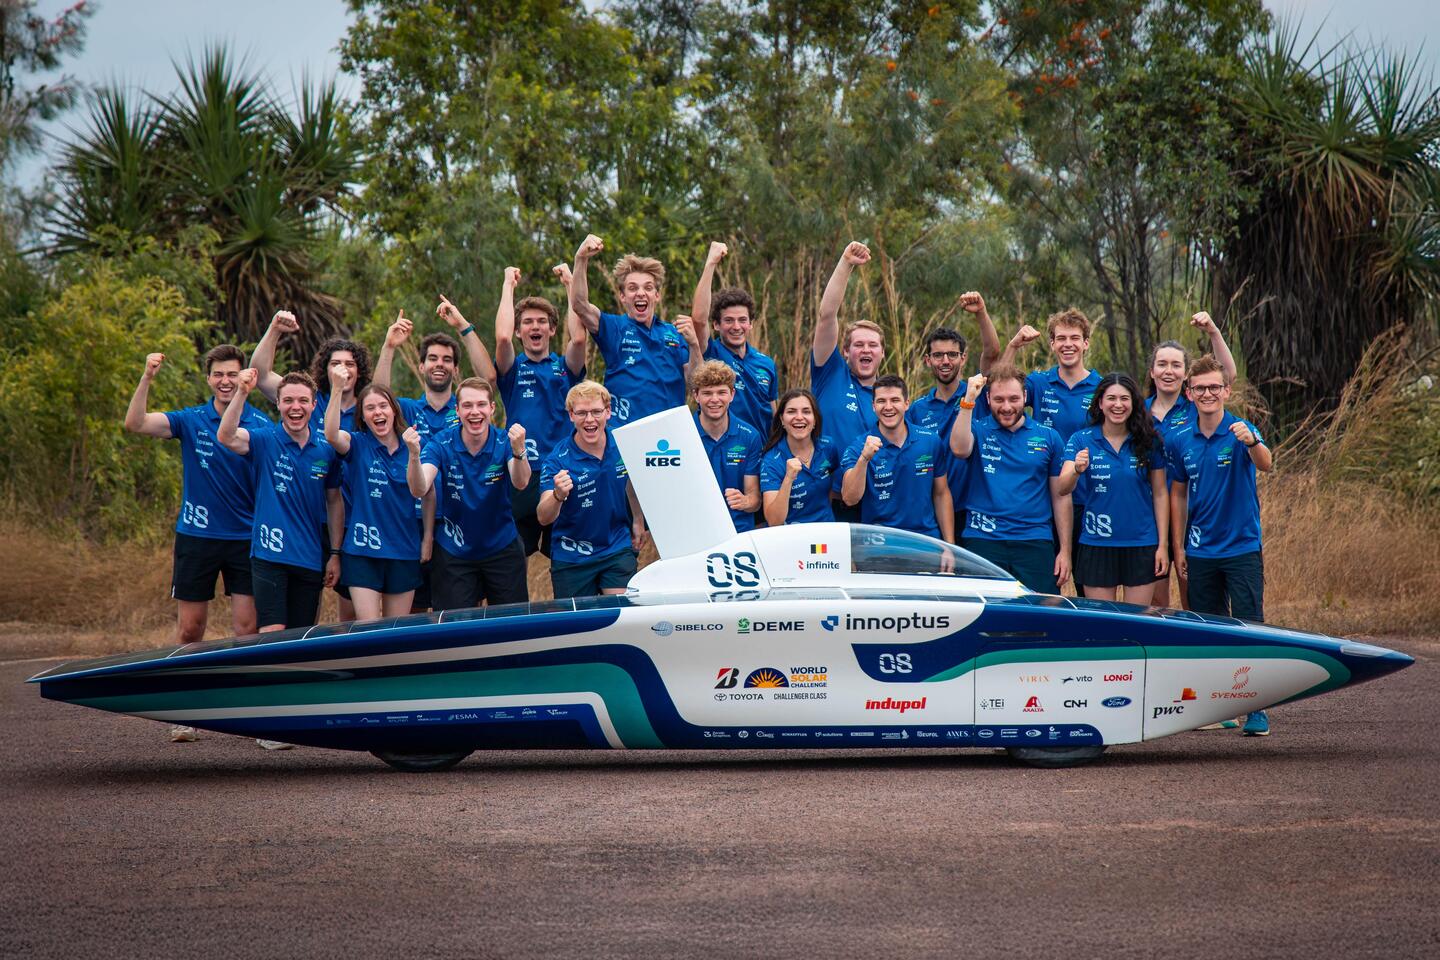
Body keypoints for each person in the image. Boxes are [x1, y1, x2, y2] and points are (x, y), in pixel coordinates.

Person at [124, 346, 270, 744]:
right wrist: (147, 377)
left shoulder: (260, 423)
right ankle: (186, 711)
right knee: (191, 630)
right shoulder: (190, 419)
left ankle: (254, 717)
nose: (226, 381)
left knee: (248, 628)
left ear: (246, 378)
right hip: (197, 538)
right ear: (208, 379)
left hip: (245, 539)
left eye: (233, 374)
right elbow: (135, 424)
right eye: (219, 374)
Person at [218, 368, 343, 751]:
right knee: (272, 634)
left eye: (303, 400)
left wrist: (334, 553)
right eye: (288, 400)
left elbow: (335, 501)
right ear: (279, 404)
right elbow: (225, 436)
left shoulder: (325, 447)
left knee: (301, 639)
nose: (295, 407)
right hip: (269, 554)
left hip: (310, 557)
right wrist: (241, 391)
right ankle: (268, 721)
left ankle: (293, 716)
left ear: (314, 405)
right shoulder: (265, 439)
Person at [1168, 355, 1274, 737]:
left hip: (1242, 547)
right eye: (1200, 388)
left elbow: (1266, 463)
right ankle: (1220, 706)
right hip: (1200, 550)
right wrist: (1179, 546)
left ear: (1226, 390)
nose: (1208, 393)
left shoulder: (1241, 429)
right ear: (1189, 393)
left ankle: (1256, 709)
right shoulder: (1181, 440)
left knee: (1250, 626)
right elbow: (1178, 495)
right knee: (1209, 629)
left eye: (1215, 387)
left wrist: (1254, 442)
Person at [996, 309, 1102, 592]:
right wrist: (1013, 346)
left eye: (1075, 338)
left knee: (1086, 583)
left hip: (1088, 499)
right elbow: (1000, 384)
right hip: (1045, 499)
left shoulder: (1101, 387)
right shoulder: (1039, 382)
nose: (1068, 344)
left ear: (1086, 343)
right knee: (1045, 584)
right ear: (1052, 344)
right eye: (1061, 338)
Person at [408, 378, 531, 609]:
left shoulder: (505, 441)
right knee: (454, 630)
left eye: (481, 405)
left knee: (510, 627)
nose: (475, 412)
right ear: (457, 410)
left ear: (492, 408)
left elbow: (521, 481)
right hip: (455, 551)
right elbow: (419, 488)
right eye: (467, 405)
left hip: (501, 548)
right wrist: (414, 456)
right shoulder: (441, 442)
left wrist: (519, 451)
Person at [949, 367, 1071, 593]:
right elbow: (958, 448)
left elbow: (1061, 496)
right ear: (987, 398)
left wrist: (1065, 550)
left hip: (1035, 541)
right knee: (987, 618)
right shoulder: (977, 429)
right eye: (998, 399)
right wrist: (968, 400)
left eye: (1014, 399)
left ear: (1025, 397)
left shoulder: (1049, 437)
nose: (1006, 407)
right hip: (982, 540)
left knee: (1040, 618)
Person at [1144, 311, 1237, 608]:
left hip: (1191, 514)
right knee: (1157, 599)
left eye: (1175, 365)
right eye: (1162, 364)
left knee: (1192, 596)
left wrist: (1213, 331)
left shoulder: (1197, 402)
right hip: (1150, 514)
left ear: (1186, 374)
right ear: (1152, 371)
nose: (1168, 370)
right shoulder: (1138, 411)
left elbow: (1228, 375)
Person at [493, 264, 587, 558]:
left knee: (564, 555)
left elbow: (580, 339)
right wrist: (508, 284)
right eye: (529, 322)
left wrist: (571, 285)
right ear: (520, 330)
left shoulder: (565, 367)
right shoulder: (512, 368)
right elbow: (502, 339)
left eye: (542, 321)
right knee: (512, 557)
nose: (536, 327)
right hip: (523, 472)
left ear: (552, 329)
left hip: (561, 470)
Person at [323, 368, 432, 619]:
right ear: (363, 416)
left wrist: (427, 538)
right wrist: (337, 388)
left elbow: (427, 494)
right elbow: (330, 434)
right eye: (370, 408)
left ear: (394, 410)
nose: (378, 412)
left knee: (396, 633)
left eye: (383, 406)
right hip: (363, 552)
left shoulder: (415, 445)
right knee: (368, 629)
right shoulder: (357, 443)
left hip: (403, 550)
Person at [1056, 373, 1169, 606]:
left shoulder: (1149, 441)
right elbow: (1062, 487)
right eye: (1111, 398)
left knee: (1137, 624)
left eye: (1124, 399)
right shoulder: (1081, 440)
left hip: (1141, 544)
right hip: (1097, 544)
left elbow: (1160, 493)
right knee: (1103, 626)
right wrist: (1076, 469)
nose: (1118, 405)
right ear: (1100, 403)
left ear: (1133, 403)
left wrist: (1162, 545)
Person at [537, 381, 648, 599]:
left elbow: (632, 482)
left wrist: (637, 519)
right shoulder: (557, 460)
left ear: (608, 411)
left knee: (622, 616)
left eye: (596, 411)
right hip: (572, 556)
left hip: (616, 546)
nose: (589, 420)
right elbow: (543, 516)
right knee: (579, 629)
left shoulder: (624, 442)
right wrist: (558, 495)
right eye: (581, 413)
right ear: (571, 415)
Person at [569, 233, 694, 424]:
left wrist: (694, 344)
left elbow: (696, 383)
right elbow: (579, 304)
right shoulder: (614, 327)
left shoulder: (675, 333)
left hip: (670, 433)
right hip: (625, 433)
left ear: (657, 295)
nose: (641, 293)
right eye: (633, 288)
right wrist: (581, 258)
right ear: (622, 296)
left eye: (648, 287)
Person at [906, 295, 1003, 531]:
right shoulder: (917, 409)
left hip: (976, 510)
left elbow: (992, 353)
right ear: (928, 360)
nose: (945, 361)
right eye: (938, 355)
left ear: (963, 358)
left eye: (952, 354)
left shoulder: (977, 393)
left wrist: (980, 312)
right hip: (933, 510)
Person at [811, 242, 884, 524]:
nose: (866, 350)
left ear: (882, 352)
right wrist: (846, 263)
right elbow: (826, 316)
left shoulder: (891, 399)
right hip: (827, 503)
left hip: (874, 507)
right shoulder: (830, 374)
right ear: (845, 352)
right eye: (858, 345)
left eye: (873, 345)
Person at [841, 375, 954, 542]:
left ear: (906, 403)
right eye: (881, 401)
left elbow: (941, 493)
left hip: (925, 541)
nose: (888, 407)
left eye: (895, 400)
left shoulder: (930, 441)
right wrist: (864, 459)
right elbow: (850, 498)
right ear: (873, 406)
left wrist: (950, 546)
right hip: (879, 546)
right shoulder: (859, 447)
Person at [689, 241, 779, 436]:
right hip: (723, 447)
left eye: (742, 320)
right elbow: (698, 319)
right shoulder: (711, 353)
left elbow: (773, 414)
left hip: (760, 454)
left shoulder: (766, 364)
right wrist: (711, 263)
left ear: (751, 323)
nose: (736, 327)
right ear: (716, 325)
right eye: (729, 320)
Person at [690, 358, 764, 532]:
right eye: (707, 393)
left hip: (738, 531)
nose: (715, 399)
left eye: (721, 392)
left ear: (732, 394)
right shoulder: (682, 433)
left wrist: (746, 501)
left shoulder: (750, 436)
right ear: (696, 396)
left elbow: (754, 499)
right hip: (696, 531)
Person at [760, 389, 841, 526]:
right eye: (791, 411)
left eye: (806, 411)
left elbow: (831, 492)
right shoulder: (771, 460)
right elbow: (774, 521)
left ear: (815, 420)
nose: (799, 417)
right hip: (792, 538)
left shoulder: (828, 446)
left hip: (826, 531)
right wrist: (788, 478)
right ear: (782, 420)